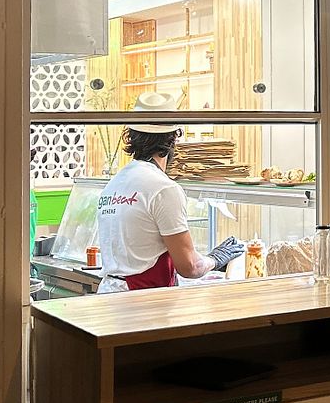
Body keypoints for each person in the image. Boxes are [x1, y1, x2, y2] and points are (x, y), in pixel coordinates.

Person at [96, 96, 244, 292]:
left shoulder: (115, 183)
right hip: (141, 300)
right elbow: (190, 267)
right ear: (173, 140)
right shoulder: (163, 188)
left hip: (109, 293)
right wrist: (216, 258)